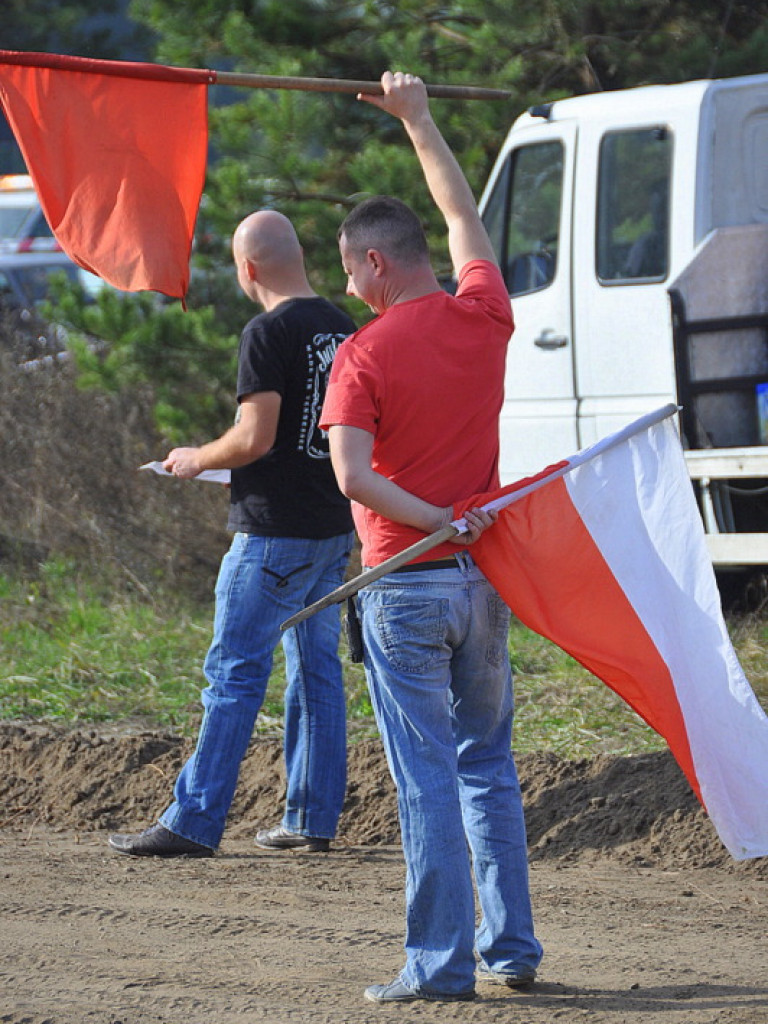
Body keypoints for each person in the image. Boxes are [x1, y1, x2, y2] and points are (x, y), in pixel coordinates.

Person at [320, 72, 543, 1002]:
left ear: (374, 264)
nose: (345, 286)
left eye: (346, 269)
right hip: (480, 582)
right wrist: (419, 121)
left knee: (424, 780)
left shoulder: (361, 355)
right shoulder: (484, 317)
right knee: (487, 767)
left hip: (405, 582)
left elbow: (352, 477)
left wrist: (432, 518)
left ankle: (439, 965)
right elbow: (462, 216)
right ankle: (512, 948)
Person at [109, 210, 356, 858]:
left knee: (234, 675)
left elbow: (255, 438)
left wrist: (195, 458)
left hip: (274, 535)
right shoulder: (340, 325)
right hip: (333, 529)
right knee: (315, 670)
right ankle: (311, 816)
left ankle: (193, 820)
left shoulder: (266, 332)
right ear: (299, 254)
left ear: (248, 269)